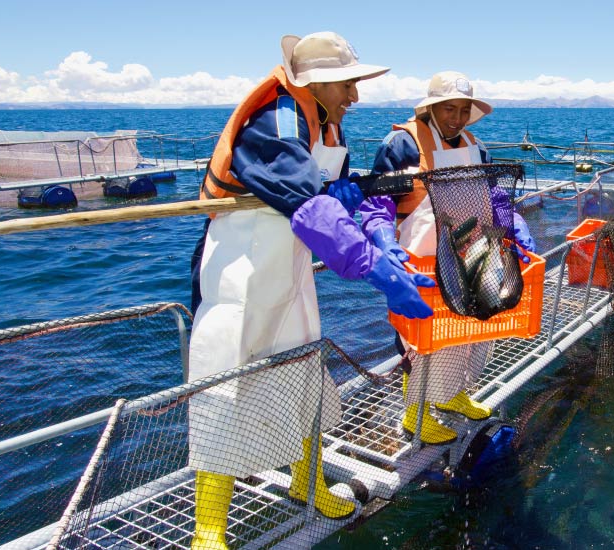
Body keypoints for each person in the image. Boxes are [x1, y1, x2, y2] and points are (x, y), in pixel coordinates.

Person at [186, 32, 434, 550]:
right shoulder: (276, 119)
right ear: (317, 82)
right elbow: (310, 206)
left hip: (292, 267)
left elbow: (338, 196)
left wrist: (381, 240)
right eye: (348, 84)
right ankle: (208, 527)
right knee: (225, 381)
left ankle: (307, 479)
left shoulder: (324, 121)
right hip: (242, 270)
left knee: (302, 370)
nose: (355, 96)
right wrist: (373, 269)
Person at [362, 71, 536, 445]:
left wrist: (513, 224)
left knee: (472, 326)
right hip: (423, 252)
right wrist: (381, 241)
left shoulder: (474, 144)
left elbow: (495, 197)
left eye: (463, 110)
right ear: (431, 108)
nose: (456, 118)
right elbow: (377, 201)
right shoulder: (402, 143)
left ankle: (454, 393)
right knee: (424, 334)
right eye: (448, 109)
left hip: (473, 250)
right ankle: (415, 413)